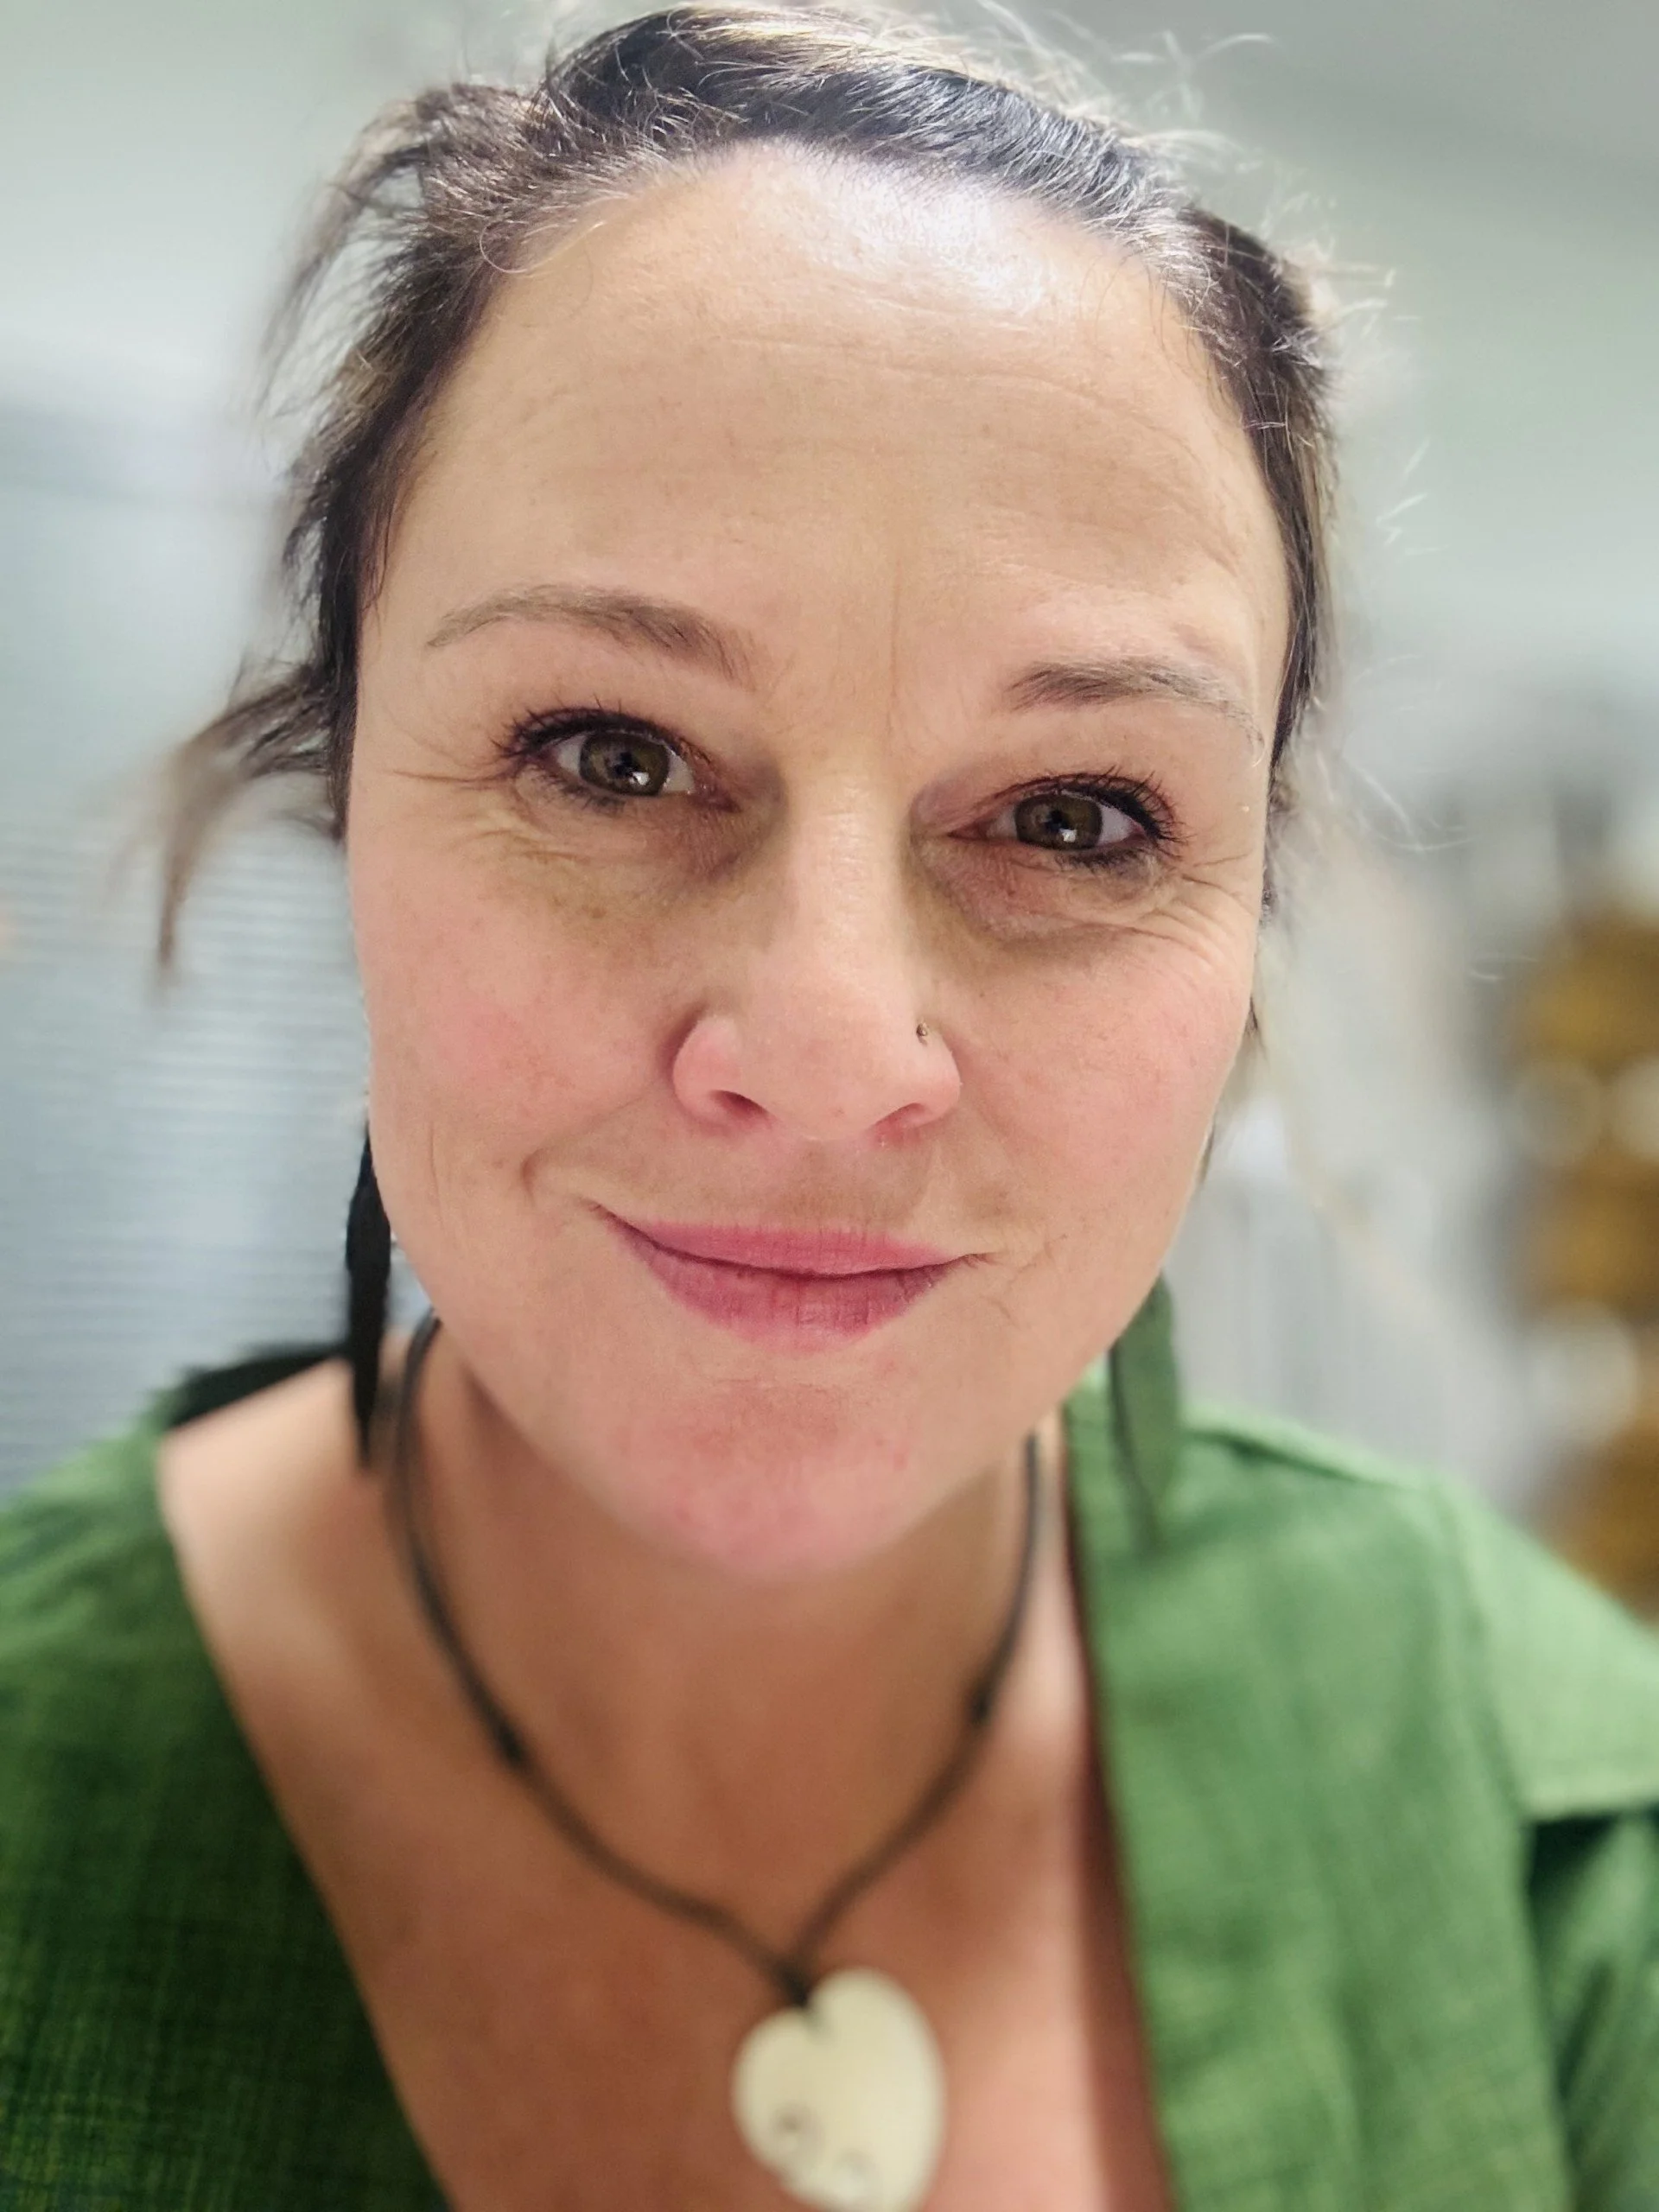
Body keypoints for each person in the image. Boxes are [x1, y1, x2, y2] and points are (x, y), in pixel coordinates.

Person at [2, 8, 1655, 2208]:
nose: (830, 1046)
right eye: (611, 752)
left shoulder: (1544, 1795)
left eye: (1075, 814)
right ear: (344, 788)